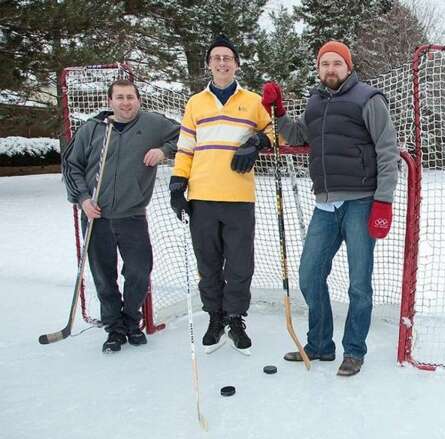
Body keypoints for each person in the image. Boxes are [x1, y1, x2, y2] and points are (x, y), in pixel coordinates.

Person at [262, 40, 399, 376]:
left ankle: (354, 351)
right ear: (319, 69)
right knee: (309, 276)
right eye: (325, 64)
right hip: (325, 205)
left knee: (358, 284)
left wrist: (383, 200)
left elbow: (387, 149)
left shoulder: (368, 98)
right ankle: (320, 345)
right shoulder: (315, 101)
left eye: (337, 63)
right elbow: (298, 135)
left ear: (348, 67)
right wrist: (278, 113)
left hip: (361, 202)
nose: (331, 69)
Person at [169, 35, 273, 356]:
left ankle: (235, 318)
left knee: (240, 264)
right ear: (209, 64)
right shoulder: (195, 103)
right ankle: (214, 317)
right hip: (202, 196)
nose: (223, 62)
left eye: (228, 57)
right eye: (217, 58)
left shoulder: (253, 101)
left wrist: (256, 142)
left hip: (239, 197)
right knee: (209, 263)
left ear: (237, 63)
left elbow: (273, 132)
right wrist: (177, 184)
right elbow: (185, 148)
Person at [62, 79, 180, 353]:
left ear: (138, 100)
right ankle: (114, 328)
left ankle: (130, 321)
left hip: (132, 214)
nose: (126, 102)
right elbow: (71, 166)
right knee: (104, 275)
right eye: (120, 97)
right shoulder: (92, 129)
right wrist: (83, 199)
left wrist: (163, 151)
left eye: (130, 97)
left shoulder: (152, 124)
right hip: (96, 215)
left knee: (139, 271)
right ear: (110, 101)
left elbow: (185, 135)